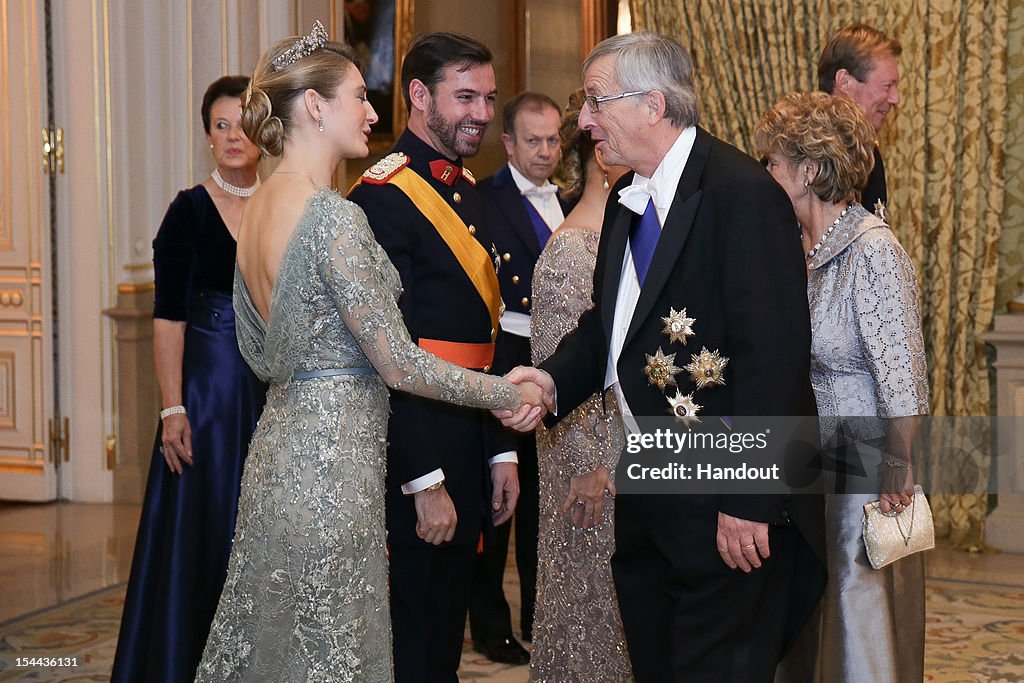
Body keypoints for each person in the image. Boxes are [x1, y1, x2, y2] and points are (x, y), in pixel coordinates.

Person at [192, 23, 544, 682]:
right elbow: (399, 363)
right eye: (359, 95)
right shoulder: (334, 217)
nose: (374, 112)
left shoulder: (257, 207)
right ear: (316, 107)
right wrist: (510, 392)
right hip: (335, 473)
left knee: (284, 649)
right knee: (336, 653)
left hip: (278, 455)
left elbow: (261, 353)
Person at [497, 32, 823, 682]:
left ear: (652, 104)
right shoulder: (627, 199)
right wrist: (552, 380)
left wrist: (750, 499)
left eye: (595, 101)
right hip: (649, 486)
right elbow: (609, 328)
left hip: (726, 493)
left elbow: (774, 355)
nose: (583, 120)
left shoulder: (741, 193)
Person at [347, 32, 523, 682]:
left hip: (470, 434)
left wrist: (500, 449)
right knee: (414, 639)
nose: (481, 111)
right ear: (419, 96)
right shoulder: (380, 197)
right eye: (465, 96)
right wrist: (424, 480)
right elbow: (385, 353)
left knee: (445, 634)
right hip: (416, 447)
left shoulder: (463, 187)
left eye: (488, 97)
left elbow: (492, 329)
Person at [755, 91, 929, 682]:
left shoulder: (872, 251)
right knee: (806, 622)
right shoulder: (792, 250)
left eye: (772, 163)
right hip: (803, 470)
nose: (766, 175)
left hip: (863, 476)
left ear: (807, 169)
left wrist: (898, 469)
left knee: (859, 623)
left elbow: (902, 380)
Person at [110, 75, 268, 683]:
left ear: (263, 134)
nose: (233, 136)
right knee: (201, 533)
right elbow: (168, 318)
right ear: (207, 136)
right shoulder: (189, 210)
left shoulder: (288, 205)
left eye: (243, 125)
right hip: (206, 397)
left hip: (271, 391)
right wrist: (172, 408)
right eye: (221, 125)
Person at [528, 88, 633, 683]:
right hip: (587, 470)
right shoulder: (572, 251)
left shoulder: (623, 238)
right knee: (588, 620)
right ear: (601, 156)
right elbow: (560, 375)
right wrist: (595, 467)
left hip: (624, 459)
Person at [468, 91, 570, 664]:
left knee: (544, 499)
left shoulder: (572, 199)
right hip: (505, 352)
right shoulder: (483, 200)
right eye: (533, 140)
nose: (546, 151)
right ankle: (489, 625)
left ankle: (542, 616)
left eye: (554, 138)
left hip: (560, 358)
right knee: (499, 497)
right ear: (507, 142)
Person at [818, 23, 902, 217]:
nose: (896, 99)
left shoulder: (869, 154)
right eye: (887, 86)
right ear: (844, 81)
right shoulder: (797, 154)